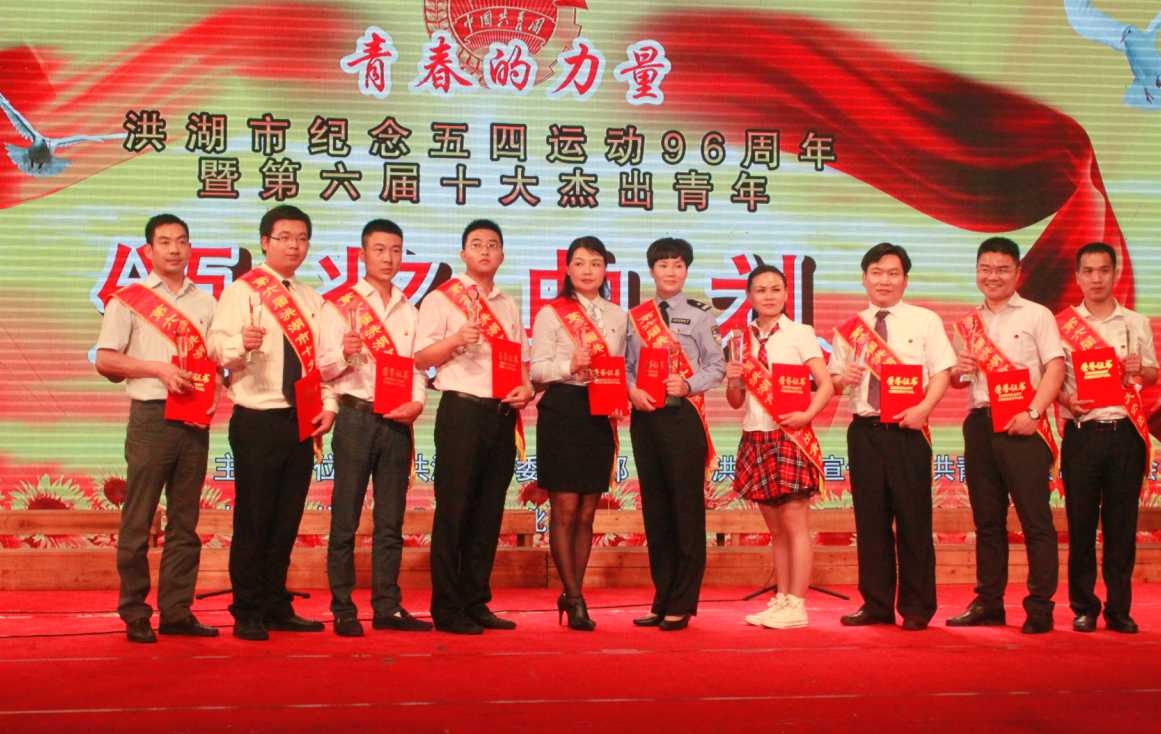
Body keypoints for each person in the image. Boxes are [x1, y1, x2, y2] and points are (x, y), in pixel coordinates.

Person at [208, 204, 336, 641]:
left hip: (300, 419)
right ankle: (247, 609)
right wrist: (239, 343)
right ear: (265, 242)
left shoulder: (312, 299)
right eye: (284, 237)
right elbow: (214, 347)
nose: (294, 246)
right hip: (258, 419)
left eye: (301, 238)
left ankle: (276, 604)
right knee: (255, 518)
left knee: (286, 519)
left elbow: (321, 364)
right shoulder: (241, 291)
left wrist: (330, 405)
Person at [95, 214, 220, 643]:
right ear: (148, 251)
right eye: (164, 242)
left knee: (185, 523)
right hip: (151, 417)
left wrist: (217, 392)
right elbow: (105, 359)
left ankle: (177, 612)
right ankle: (134, 611)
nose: (174, 249)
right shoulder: (129, 300)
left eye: (181, 241)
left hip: (194, 419)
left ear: (190, 248)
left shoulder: (206, 303)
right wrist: (158, 369)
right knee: (138, 520)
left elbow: (214, 362)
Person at [414, 219, 534, 635]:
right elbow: (419, 357)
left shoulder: (508, 304)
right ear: (463, 253)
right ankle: (447, 608)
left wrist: (526, 388)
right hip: (461, 413)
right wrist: (455, 340)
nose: (485, 251)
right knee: (454, 511)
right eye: (477, 244)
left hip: (501, 414)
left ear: (502, 254)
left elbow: (518, 360)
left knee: (488, 512)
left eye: (493, 244)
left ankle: (475, 601)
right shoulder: (441, 299)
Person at [830, 243, 955, 631]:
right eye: (877, 272)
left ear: (905, 279)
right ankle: (877, 604)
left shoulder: (925, 320)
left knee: (914, 522)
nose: (884, 280)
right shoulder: (851, 329)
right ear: (864, 278)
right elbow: (834, 381)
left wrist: (924, 409)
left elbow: (943, 371)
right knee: (871, 523)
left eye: (893, 273)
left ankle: (917, 607)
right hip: (864, 432)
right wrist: (842, 378)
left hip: (907, 431)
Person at [318, 219, 431, 637]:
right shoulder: (339, 305)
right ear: (363, 254)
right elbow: (321, 368)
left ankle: (387, 606)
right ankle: (343, 608)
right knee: (345, 519)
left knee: (390, 522)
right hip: (355, 417)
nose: (388, 258)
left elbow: (417, 369)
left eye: (396, 250)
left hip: (396, 421)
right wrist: (344, 355)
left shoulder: (410, 309)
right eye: (379, 249)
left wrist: (418, 403)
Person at [947, 236, 1065, 634]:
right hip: (980, 424)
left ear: (1017, 272)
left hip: (1023, 425)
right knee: (987, 521)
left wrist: (1034, 413)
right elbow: (958, 382)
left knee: (1035, 521)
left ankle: (1040, 607)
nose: (992, 276)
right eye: (985, 268)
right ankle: (989, 602)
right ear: (977, 271)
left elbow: (1055, 368)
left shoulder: (1037, 315)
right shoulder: (968, 323)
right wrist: (959, 369)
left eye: (1001, 269)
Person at [724, 264, 833, 629]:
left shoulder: (800, 333)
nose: (768, 296)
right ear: (749, 296)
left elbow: (825, 384)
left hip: (790, 436)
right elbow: (736, 401)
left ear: (786, 294)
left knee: (795, 523)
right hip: (755, 435)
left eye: (775, 289)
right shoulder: (741, 339)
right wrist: (733, 380)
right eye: (760, 290)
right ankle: (782, 599)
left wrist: (807, 415)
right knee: (776, 530)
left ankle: (798, 604)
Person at [1056, 242, 1157, 633]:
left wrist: (1140, 369)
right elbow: (1050, 381)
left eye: (1103, 270)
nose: (1095, 278)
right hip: (1081, 434)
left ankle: (1119, 608)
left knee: (1121, 526)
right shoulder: (1061, 324)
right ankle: (1084, 606)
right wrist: (1066, 400)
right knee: (1081, 526)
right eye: (1088, 271)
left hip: (1125, 435)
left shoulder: (1135, 322)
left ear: (1115, 274)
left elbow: (1152, 374)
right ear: (1077, 276)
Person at [626, 237, 726, 631]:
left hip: (683, 418)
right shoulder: (635, 317)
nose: (671, 271)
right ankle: (662, 597)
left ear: (687, 270)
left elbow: (716, 366)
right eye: (663, 265)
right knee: (656, 512)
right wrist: (631, 390)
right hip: (646, 418)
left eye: (678, 265)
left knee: (686, 511)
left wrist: (687, 384)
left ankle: (682, 602)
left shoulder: (701, 315)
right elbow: (626, 366)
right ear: (652, 270)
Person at [530, 236, 628, 631]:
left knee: (588, 511)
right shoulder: (550, 313)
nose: (588, 271)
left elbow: (620, 368)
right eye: (580, 263)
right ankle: (574, 597)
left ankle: (574, 592)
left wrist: (619, 398)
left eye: (596, 263)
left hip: (599, 412)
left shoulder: (618, 315)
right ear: (568, 268)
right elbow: (536, 370)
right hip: (562, 410)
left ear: (605, 270)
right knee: (565, 508)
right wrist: (569, 365)